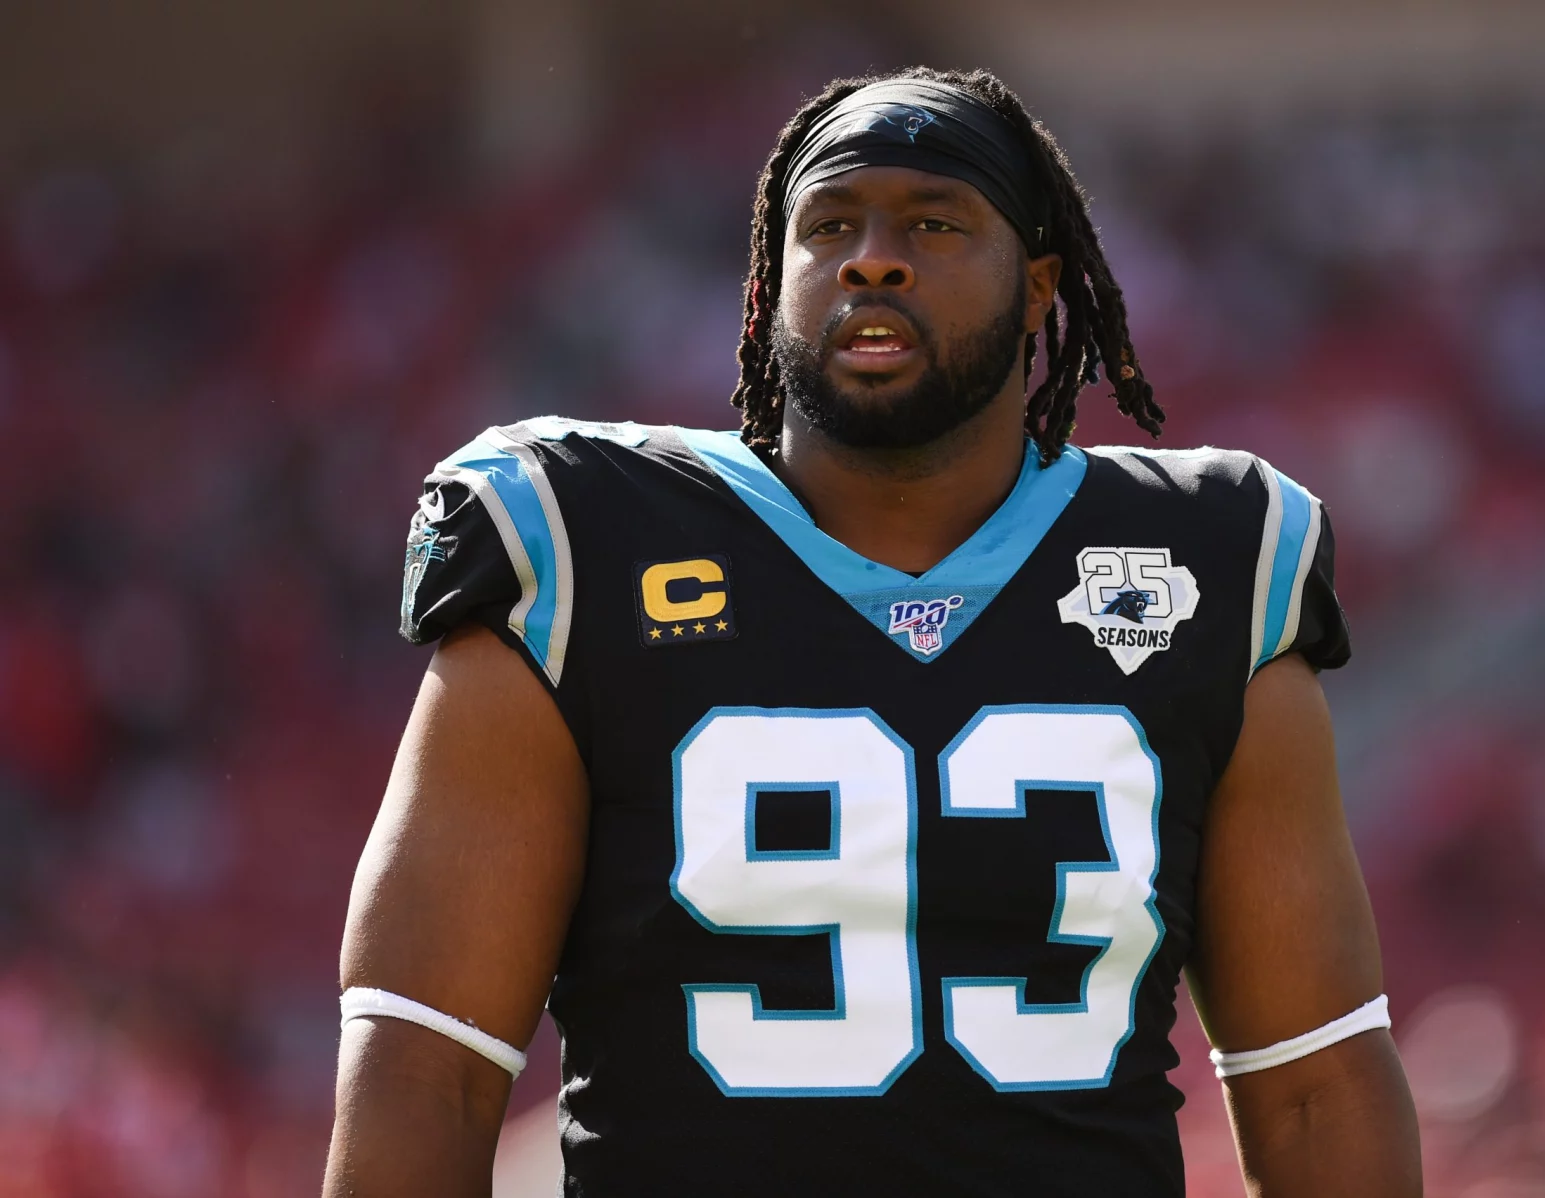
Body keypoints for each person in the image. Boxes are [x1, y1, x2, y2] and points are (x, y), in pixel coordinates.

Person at [324, 67, 1421, 1197]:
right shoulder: (574, 545)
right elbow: (426, 1064)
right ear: (769, 281)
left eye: (934, 222)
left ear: (1042, 283)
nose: (873, 258)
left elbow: (1313, 1080)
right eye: (830, 224)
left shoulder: (1205, 562)